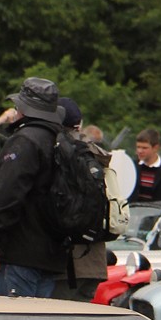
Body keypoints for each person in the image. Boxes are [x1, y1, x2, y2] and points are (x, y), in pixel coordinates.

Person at [0, 77, 66, 298]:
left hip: (19, 254)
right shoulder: (61, 140)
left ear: (22, 109)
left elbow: (7, 196)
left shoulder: (24, 141)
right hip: (52, 254)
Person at [54, 105, 109, 301]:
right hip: (95, 261)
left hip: (68, 265)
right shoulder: (99, 155)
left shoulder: (61, 153)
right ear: (80, 125)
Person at [130, 128, 161, 203]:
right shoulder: (132, 167)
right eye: (138, 147)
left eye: (144, 148)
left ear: (155, 148)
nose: (140, 151)